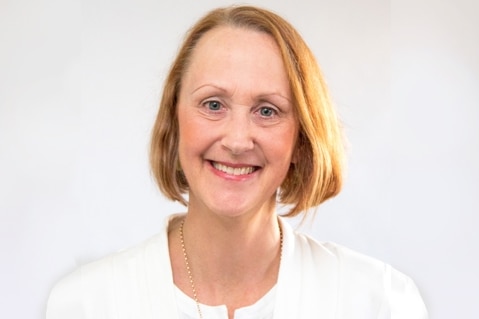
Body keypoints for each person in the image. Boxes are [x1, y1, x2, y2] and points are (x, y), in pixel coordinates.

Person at [46, 5, 428, 319]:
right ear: (173, 119)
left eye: (267, 110)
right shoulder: (85, 305)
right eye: (213, 104)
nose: (237, 140)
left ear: (301, 138)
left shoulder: (381, 303)